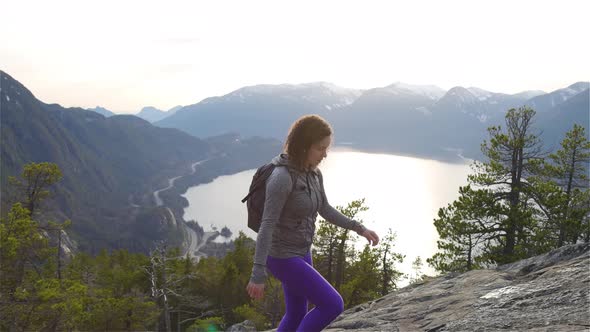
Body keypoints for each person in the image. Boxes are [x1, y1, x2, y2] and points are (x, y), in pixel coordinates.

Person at [245, 114, 380, 332]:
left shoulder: (314, 173)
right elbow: (267, 225)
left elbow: (324, 208)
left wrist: (359, 228)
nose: (325, 155)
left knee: (296, 313)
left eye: (327, 148)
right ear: (303, 146)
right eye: (320, 148)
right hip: (281, 256)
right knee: (332, 304)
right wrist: (257, 273)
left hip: (302, 251)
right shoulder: (281, 177)